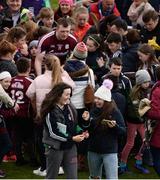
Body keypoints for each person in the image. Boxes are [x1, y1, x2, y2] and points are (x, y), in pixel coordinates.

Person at [26, 54, 75, 176]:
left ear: (44, 65)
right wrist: (64, 72)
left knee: (44, 140)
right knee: (59, 137)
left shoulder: (39, 79)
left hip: (42, 114)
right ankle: (58, 166)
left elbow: (29, 94)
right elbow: (73, 86)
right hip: (60, 114)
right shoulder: (63, 79)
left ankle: (45, 167)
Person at [41, 82, 89, 179]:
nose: (69, 97)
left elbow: (75, 125)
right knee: (51, 176)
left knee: (73, 177)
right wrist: (72, 138)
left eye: (70, 94)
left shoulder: (70, 107)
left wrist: (82, 132)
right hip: (55, 148)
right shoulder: (50, 111)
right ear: (58, 95)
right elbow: (53, 133)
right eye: (66, 94)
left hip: (70, 148)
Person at [82, 79, 126, 179]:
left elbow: (123, 131)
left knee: (112, 178)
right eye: (96, 98)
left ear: (106, 100)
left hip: (110, 151)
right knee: (94, 177)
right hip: (93, 150)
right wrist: (86, 120)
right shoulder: (93, 110)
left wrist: (115, 127)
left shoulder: (115, 112)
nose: (96, 101)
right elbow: (87, 129)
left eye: (99, 99)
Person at [119, 69, 151, 174]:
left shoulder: (146, 91)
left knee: (145, 141)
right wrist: (143, 116)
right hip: (133, 121)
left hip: (141, 121)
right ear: (140, 82)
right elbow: (136, 109)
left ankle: (138, 161)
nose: (147, 84)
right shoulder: (134, 93)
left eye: (148, 82)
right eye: (145, 82)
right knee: (130, 143)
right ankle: (123, 164)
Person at [8, 57, 36, 166]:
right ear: (29, 68)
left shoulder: (11, 80)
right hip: (26, 113)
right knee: (30, 137)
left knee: (17, 136)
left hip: (13, 112)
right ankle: (33, 159)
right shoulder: (30, 82)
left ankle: (19, 158)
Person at [0, 71, 19, 177]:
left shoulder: (4, 93)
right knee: (7, 144)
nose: (8, 84)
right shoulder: (2, 93)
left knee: (6, 144)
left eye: (9, 81)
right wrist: (12, 107)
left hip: (1, 122)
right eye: (5, 81)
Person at [147, 66, 160, 176]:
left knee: (157, 162)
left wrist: (146, 110)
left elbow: (155, 113)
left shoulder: (157, 90)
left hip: (157, 132)